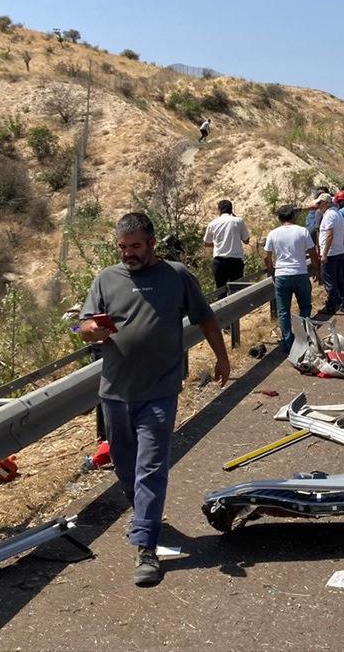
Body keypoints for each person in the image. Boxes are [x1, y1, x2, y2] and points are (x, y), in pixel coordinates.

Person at [78, 212, 230, 587]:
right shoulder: (106, 279)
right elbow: (82, 326)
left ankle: (145, 546)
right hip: (114, 392)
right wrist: (92, 331)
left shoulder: (175, 276)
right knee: (126, 467)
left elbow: (206, 319)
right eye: (122, 248)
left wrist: (222, 356)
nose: (128, 254)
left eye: (135, 246)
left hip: (160, 391)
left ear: (152, 243)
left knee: (151, 467)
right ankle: (145, 514)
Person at [263, 205, 318, 351]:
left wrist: (272, 271)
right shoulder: (302, 231)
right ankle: (304, 339)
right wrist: (317, 270)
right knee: (305, 307)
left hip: (282, 275)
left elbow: (266, 256)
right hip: (300, 273)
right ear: (293, 216)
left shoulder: (273, 234)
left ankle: (288, 343)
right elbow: (313, 252)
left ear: (279, 218)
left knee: (283, 311)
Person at [202, 200, 251, 293]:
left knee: (221, 291)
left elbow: (206, 243)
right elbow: (246, 240)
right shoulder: (238, 221)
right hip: (235, 261)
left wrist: (217, 244)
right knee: (237, 291)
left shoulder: (213, 223)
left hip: (219, 262)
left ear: (219, 210)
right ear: (231, 209)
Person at [312, 192, 344, 321]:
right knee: (339, 279)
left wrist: (324, 253)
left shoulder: (329, 216)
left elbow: (329, 235)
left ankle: (331, 306)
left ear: (326, 203)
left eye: (320, 203)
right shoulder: (338, 214)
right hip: (339, 251)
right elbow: (343, 233)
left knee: (330, 281)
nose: (318, 206)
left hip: (331, 253)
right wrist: (340, 246)